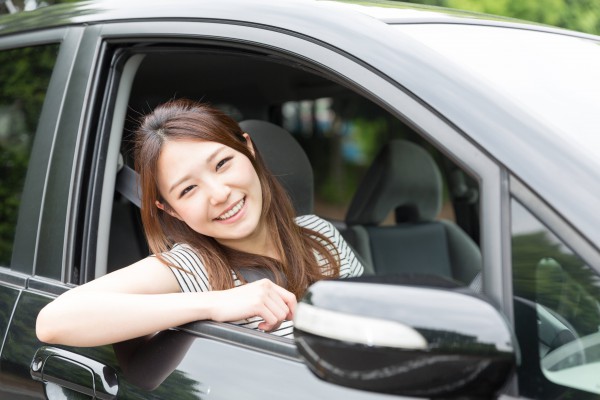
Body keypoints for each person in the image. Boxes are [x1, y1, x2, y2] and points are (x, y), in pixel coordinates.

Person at [36, 99, 363, 347]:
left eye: (222, 163)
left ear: (248, 148)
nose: (219, 194)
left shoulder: (319, 233)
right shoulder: (193, 267)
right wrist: (217, 302)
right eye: (188, 189)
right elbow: (54, 321)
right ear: (171, 209)